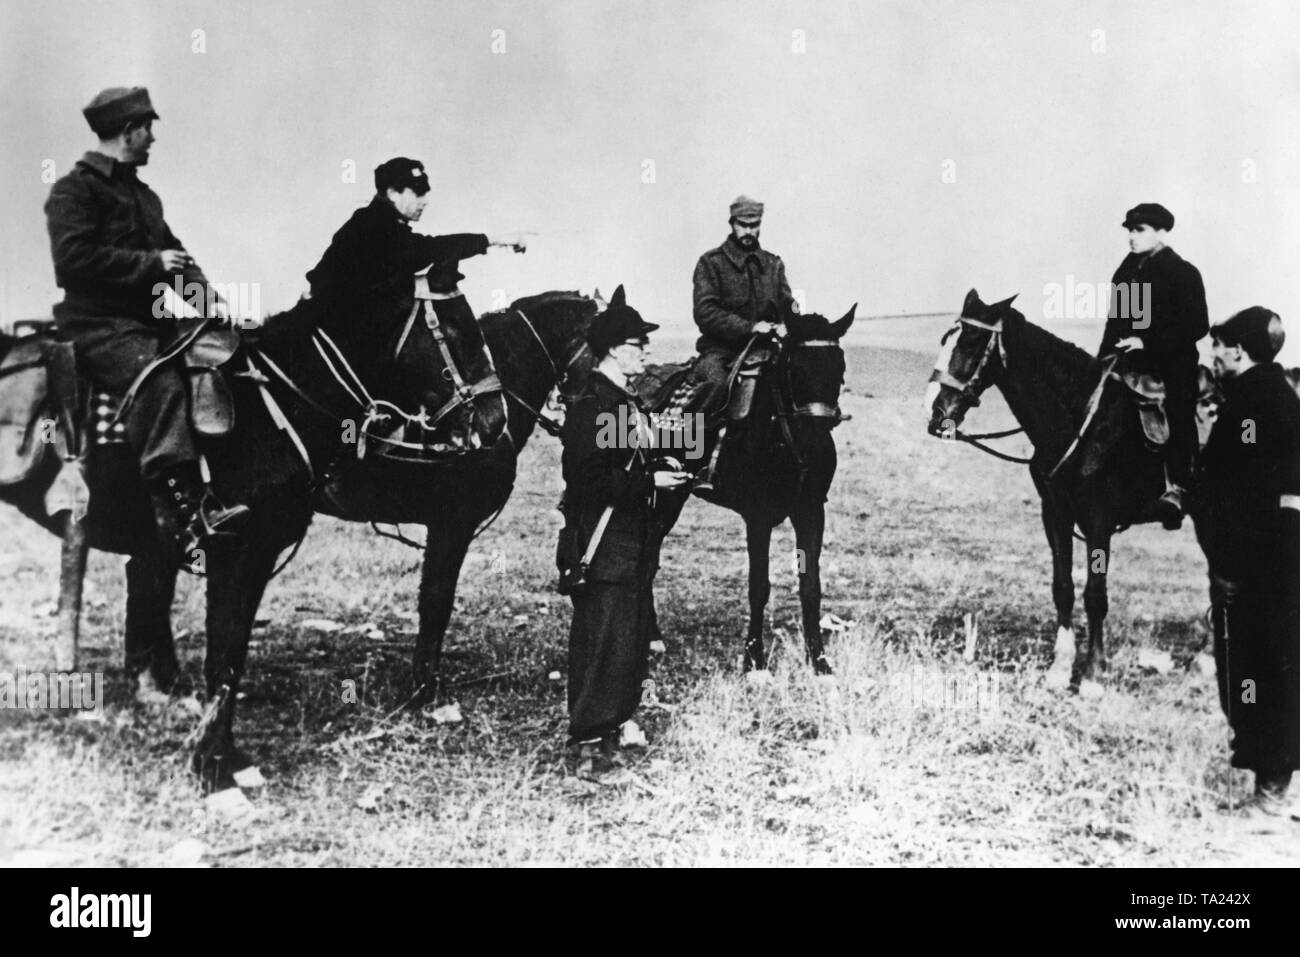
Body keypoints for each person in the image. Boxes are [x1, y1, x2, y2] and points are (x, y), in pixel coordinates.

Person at [45, 86, 248, 555]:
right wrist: (150, 265)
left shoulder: (145, 197)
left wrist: (213, 307)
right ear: (128, 131)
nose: (153, 138)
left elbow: (179, 261)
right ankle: (186, 509)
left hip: (145, 324)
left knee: (216, 360)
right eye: (147, 129)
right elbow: (71, 261)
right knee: (160, 382)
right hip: (96, 325)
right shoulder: (75, 190)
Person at [559, 287, 689, 782]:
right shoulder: (594, 405)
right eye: (639, 345)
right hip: (603, 546)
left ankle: (609, 736)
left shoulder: (621, 403)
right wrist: (650, 483)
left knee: (624, 645)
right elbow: (587, 480)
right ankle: (587, 749)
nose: (646, 353)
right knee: (601, 644)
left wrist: (664, 463)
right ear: (615, 349)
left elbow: (627, 459)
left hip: (630, 545)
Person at [1195, 306, 1300, 829]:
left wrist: (1230, 563)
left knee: (1254, 672)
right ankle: (1280, 788)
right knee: (1276, 666)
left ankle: (1271, 795)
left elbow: (1244, 484)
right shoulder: (1275, 395)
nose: (1211, 354)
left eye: (1217, 345)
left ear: (1237, 350)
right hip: (1272, 561)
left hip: (1255, 568)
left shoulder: (1254, 406)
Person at [1098, 202, 1208, 529]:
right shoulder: (1126, 271)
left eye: (1139, 230)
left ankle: (1179, 488)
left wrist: (1147, 341)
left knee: (1177, 410)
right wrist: (1101, 362)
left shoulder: (1183, 272)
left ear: (1161, 232)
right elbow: (1115, 323)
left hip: (1172, 364)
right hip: (1129, 362)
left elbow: (1197, 325)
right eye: (1130, 230)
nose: (1132, 237)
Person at [305, 157, 527, 315]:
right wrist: (494, 239)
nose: (425, 201)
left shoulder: (376, 221)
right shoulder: (373, 225)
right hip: (330, 324)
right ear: (393, 193)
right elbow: (428, 249)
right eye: (419, 193)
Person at [689, 195, 796, 488]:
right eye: (743, 225)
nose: (749, 231)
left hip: (767, 352)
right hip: (722, 352)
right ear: (732, 223)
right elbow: (705, 312)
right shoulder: (711, 263)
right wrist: (749, 328)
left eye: (754, 225)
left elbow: (788, 305)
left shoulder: (773, 264)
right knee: (714, 386)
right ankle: (692, 461)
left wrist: (788, 323)